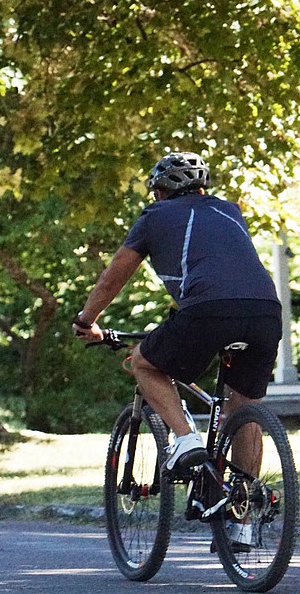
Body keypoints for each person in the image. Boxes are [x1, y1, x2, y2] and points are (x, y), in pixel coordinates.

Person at [72, 151, 282, 541]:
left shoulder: (155, 217)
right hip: (266, 312)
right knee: (245, 406)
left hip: (206, 310)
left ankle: (185, 442)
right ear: (202, 188)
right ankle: (244, 524)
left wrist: (87, 322)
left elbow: (112, 278)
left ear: (160, 191)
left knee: (144, 363)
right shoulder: (230, 211)